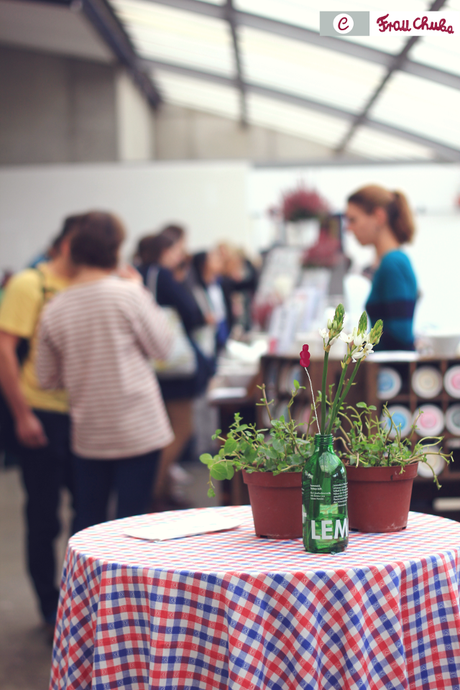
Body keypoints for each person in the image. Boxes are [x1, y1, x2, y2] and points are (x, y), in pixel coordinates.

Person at [36, 212, 174, 532]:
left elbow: (46, 378)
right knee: (134, 523)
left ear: (71, 252)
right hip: (139, 428)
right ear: (114, 251)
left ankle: (89, 583)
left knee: (89, 523)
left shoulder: (54, 308)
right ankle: (131, 584)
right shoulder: (128, 294)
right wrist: (142, 291)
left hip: (90, 433)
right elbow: (163, 348)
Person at [0, 215, 82, 636]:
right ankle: (48, 606)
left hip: (86, 415)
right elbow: (5, 350)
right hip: (42, 413)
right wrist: (22, 415)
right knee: (44, 514)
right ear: (68, 243)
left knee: (88, 514)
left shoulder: (91, 281)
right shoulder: (29, 284)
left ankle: (82, 601)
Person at [137, 226, 215, 510]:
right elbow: (191, 313)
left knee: (164, 429)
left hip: (153, 366)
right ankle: (155, 492)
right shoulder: (164, 276)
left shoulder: (139, 274)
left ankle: (162, 490)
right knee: (180, 428)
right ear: (166, 251)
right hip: (174, 366)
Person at [346, 185, 418, 351]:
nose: (349, 228)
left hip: (394, 372)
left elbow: (401, 333)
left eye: (353, 220)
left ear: (379, 216)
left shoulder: (392, 263)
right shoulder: (391, 261)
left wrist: (359, 344)